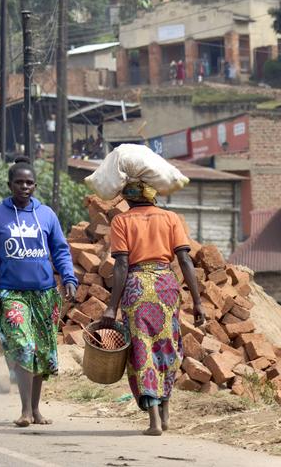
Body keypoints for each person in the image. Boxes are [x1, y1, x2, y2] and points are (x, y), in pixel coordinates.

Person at [100, 180, 206, 436]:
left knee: (142, 349)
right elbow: (184, 260)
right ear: (153, 194)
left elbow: (122, 266)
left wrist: (111, 308)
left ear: (127, 197)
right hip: (166, 286)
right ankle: (166, 411)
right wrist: (198, 301)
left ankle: (154, 420)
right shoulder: (170, 218)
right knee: (166, 345)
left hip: (137, 288)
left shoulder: (122, 222)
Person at [0, 157, 77, 427]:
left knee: (42, 353)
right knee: (23, 346)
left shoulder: (46, 214)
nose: (24, 186)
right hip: (11, 293)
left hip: (44, 294)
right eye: (19, 182)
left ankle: (36, 410)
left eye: (29, 182)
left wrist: (68, 277)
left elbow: (60, 249)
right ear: (9, 184)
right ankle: (24, 410)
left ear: (35, 185)